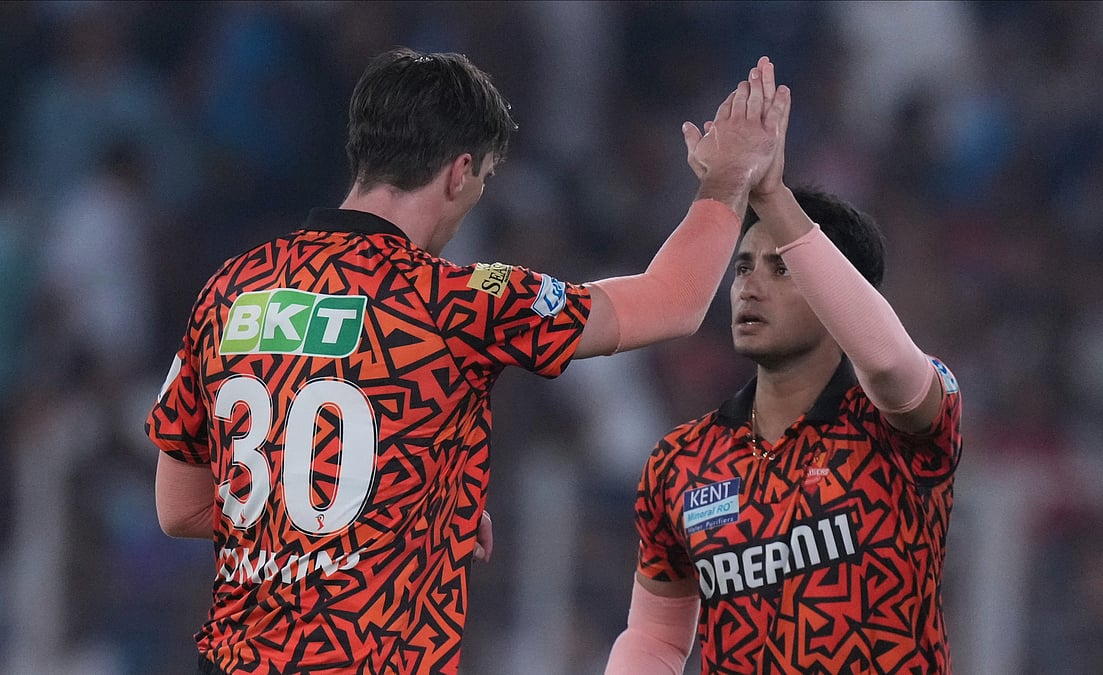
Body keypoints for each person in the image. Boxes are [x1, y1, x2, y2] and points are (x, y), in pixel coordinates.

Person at [146, 46, 789, 675]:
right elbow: (671, 302)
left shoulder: (231, 289)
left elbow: (178, 509)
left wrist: (405, 505)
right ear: (459, 173)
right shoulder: (457, 299)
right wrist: (727, 180)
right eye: (482, 179)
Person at [604, 173, 963, 669]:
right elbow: (655, 638)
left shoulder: (899, 426)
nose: (749, 287)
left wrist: (772, 195)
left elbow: (884, 362)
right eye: (744, 267)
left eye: (781, 269)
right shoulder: (682, 460)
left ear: (837, 290)